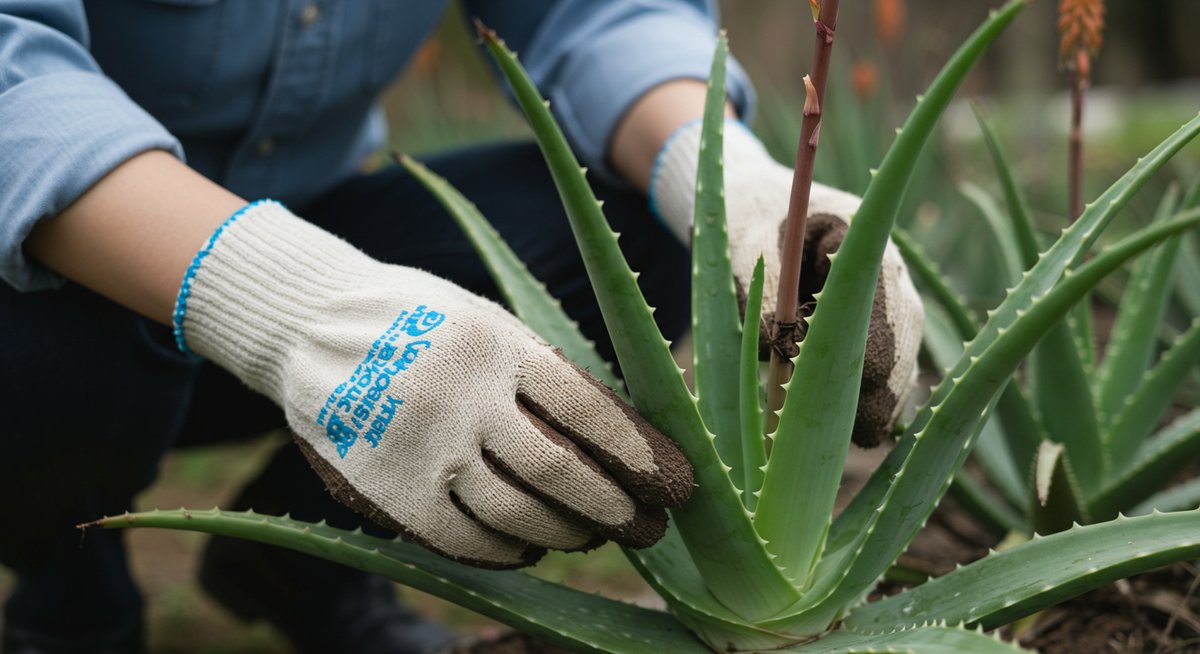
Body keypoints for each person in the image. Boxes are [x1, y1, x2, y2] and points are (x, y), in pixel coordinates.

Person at [0, 1, 924, 652]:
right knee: (48, 319)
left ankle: (301, 567)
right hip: (58, 267)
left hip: (318, 214)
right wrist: (300, 310)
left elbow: (588, 12)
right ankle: (72, 590)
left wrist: (729, 183)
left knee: (630, 231)